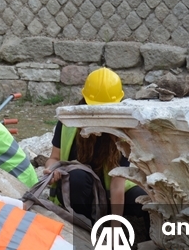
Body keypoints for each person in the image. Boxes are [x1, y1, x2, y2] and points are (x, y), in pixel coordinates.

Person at [43, 67, 148, 233]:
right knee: (77, 176)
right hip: (77, 193)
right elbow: (54, 157)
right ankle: (85, 231)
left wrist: (115, 229)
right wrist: (51, 168)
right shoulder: (68, 122)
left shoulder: (122, 131)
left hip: (109, 196)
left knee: (144, 198)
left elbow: (117, 185)